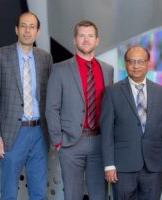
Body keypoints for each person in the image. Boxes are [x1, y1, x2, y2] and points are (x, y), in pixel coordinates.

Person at [0, 12, 52, 200]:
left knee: (39, 191)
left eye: (32, 27)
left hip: (40, 132)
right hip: (11, 134)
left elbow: (50, 98)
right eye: (23, 26)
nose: (27, 30)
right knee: (9, 192)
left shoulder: (45, 58)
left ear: (38, 32)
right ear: (16, 29)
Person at [45, 20, 114, 200]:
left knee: (99, 195)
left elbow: (110, 108)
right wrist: (58, 141)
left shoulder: (107, 70)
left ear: (97, 40)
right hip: (70, 143)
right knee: (72, 195)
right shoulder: (59, 69)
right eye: (81, 35)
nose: (86, 40)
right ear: (75, 40)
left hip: (100, 142)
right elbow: (51, 108)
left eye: (90, 36)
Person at [101, 45, 162, 200]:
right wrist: (109, 165)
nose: (135, 66)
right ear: (125, 64)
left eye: (140, 61)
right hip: (122, 168)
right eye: (131, 61)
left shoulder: (161, 92)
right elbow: (106, 132)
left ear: (148, 63)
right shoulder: (112, 92)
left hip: (153, 167)